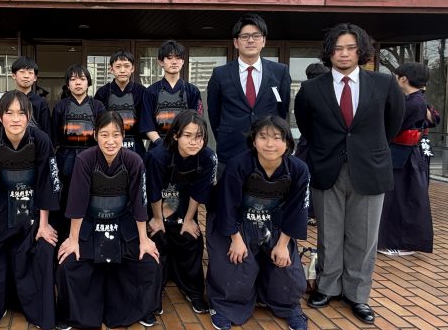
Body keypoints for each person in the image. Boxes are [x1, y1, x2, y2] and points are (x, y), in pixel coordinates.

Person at [294, 23, 404, 325]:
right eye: (337, 48)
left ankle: (357, 295)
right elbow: (306, 126)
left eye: (350, 48)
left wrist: (367, 149)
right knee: (328, 234)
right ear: (329, 53)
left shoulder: (383, 84)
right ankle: (327, 287)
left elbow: (393, 123)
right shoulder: (311, 89)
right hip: (327, 167)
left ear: (361, 51)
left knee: (364, 237)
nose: (344, 54)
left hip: (369, 169)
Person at [56, 111, 162, 330]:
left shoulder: (134, 161)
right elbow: (77, 203)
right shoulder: (84, 160)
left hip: (123, 224)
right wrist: (73, 239)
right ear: (95, 135)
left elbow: (139, 203)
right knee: (68, 265)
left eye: (116, 135)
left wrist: (144, 240)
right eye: (104, 135)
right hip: (90, 224)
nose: (110, 141)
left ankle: (141, 310)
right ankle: (74, 314)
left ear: (123, 135)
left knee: (149, 264)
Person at [206, 116, 310, 330]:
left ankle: (288, 306)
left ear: (287, 143)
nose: (270, 144)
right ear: (253, 141)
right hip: (238, 223)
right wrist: (235, 239)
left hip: (273, 223)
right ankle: (224, 306)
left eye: (277, 138)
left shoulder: (298, 170)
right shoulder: (239, 165)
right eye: (263, 137)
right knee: (236, 268)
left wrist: (283, 245)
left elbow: (297, 210)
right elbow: (226, 205)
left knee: (287, 271)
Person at [0, 90, 61, 330]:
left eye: (21, 113)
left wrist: (44, 225)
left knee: (43, 247)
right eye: (9, 113)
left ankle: (39, 312)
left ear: (29, 115)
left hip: (34, 210)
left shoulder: (41, 140)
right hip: (1, 209)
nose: (16, 119)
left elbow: (47, 183)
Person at [145, 110, 216, 316]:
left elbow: (199, 192)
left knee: (191, 238)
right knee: (157, 239)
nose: (194, 142)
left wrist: (189, 220)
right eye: (187, 135)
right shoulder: (157, 156)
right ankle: (153, 295)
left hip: (184, 208)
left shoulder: (208, 157)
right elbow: (153, 191)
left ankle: (193, 291)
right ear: (176, 135)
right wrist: (157, 219)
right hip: (157, 209)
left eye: (199, 136)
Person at [207, 14, 291, 172]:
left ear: (263, 41)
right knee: (229, 188)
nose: (250, 40)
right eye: (245, 36)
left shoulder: (280, 72)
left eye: (256, 36)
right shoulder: (220, 74)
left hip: (268, 150)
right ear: (236, 42)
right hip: (230, 148)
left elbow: (282, 109)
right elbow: (214, 112)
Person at [377, 62, 433, 256]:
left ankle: (399, 242)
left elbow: (392, 126)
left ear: (403, 79)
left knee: (401, 199)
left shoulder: (413, 102)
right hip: (404, 154)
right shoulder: (416, 100)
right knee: (400, 198)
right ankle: (395, 240)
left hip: (405, 155)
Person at [52, 64, 106, 241]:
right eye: (73, 79)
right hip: (65, 157)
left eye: (82, 79)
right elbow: (54, 137)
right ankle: (66, 237)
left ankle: (88, 237)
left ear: (88, 82)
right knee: (66, 198)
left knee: (91, 196)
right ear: (68, 84)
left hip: (92, 156)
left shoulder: (98, 106)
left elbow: (103, 134)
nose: (78, 83)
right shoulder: (60, 106)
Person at [139, 40, 202, 147]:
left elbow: (198, 121)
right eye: (169, 58)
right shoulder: (150, 91)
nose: (174, 62)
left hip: (186, 145)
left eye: (178, 58)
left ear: (183, 61)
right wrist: (160, 143)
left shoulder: (192, 90)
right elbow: (147, 124)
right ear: (160, 62)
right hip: (158, 146)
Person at [294, 62, 330, 226]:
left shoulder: (305, 91)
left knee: (304, 177)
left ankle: (306, 211)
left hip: (307, 141)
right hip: (321, 142)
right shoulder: (329, 92)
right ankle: (314, 212)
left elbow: (301, 119)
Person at [94, 49, 148, 159]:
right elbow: (97, 122)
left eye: (126, 66)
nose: (122, 70)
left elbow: (146, 119)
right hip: (109, 143)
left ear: (132, 68)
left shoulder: (142, 91)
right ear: (111, 69)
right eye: (118, 66)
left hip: (135, 143)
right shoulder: (102, 92)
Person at [11, 56, 51, 134]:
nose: (26, 76)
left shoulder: (41, 102)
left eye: (30, 73)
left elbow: (46, 130)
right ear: (14, 75)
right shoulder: (6, 100)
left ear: (35, 77)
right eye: (22, 72)